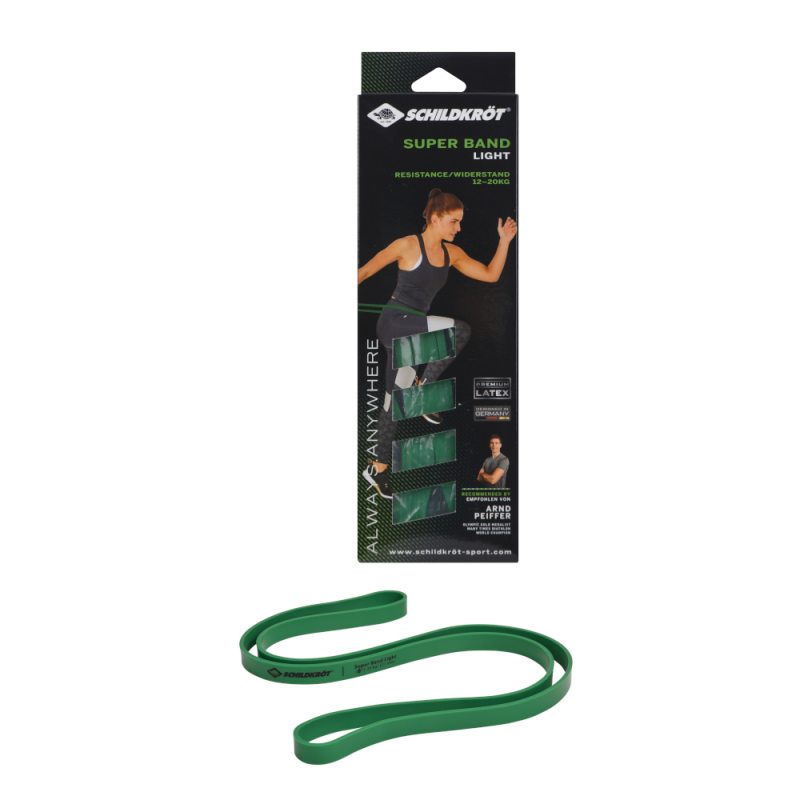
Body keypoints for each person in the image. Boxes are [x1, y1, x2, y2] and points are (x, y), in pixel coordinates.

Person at [358, 188, 517, 500]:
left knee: (393, 403)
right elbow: (363, 272)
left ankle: (377, 468)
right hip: (395, 323)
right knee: (459, 330)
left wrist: (505, 241)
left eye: (460, 222)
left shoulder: (451, 254)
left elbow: (490, 275)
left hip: (414, 331)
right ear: (434, 218)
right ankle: (424, 391)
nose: (459, 228)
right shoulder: (406, 245)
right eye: (453, 221)